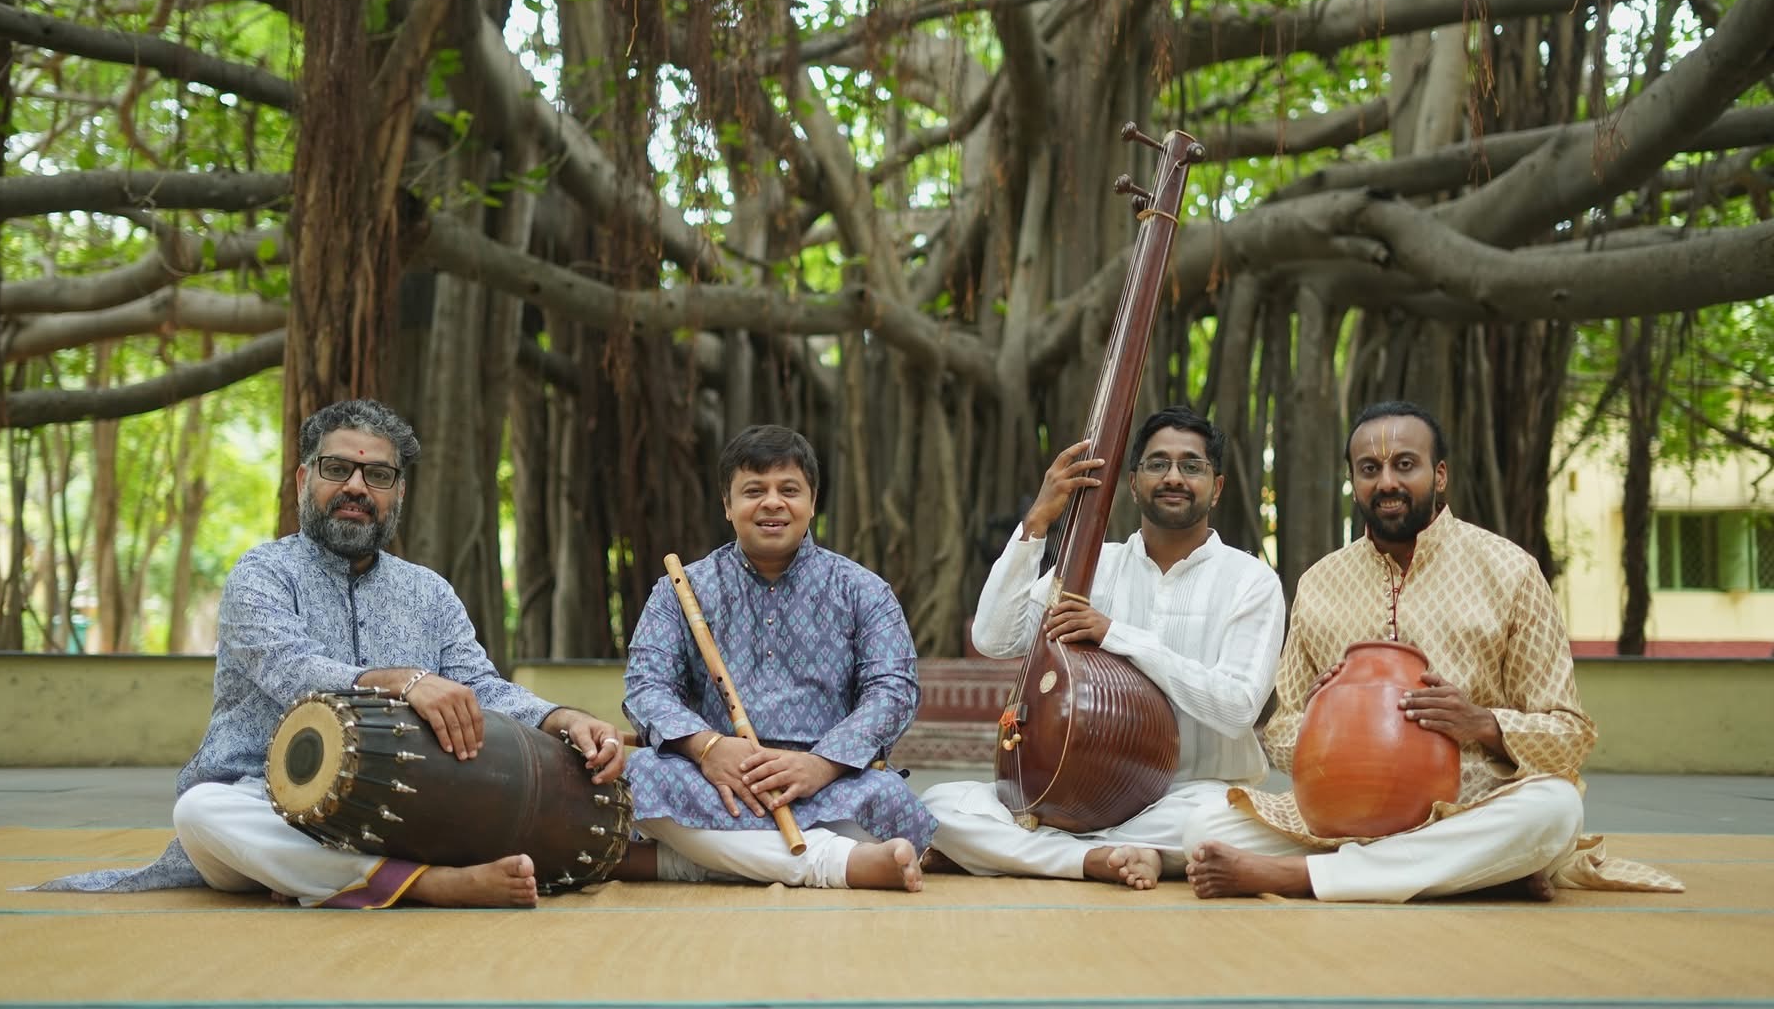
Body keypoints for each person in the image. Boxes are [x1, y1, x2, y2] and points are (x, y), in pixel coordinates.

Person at [35, 398, 625, 909]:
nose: (356, 488)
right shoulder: (263, 574)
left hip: (399, 813)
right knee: (201, 813)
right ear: (301, 481)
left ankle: (331, 880)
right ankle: (425, 885)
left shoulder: (429, 592)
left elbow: (483, 688)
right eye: (337, 468)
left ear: (397, 494)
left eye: (378, 476)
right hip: (264, 803)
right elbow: (291, 669)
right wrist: (399, 681)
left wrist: (562, 718)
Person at [1183, 400, 1684, 901]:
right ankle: (1475, 871)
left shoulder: (1509, 570)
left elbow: (1570, 733)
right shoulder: (1320, 582)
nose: (1387, 483)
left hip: (1474, 803)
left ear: (1439, 474)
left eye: (1405, 465)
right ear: (1353, 481)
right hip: (1343, 812)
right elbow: (1281, 729)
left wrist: (1482, 723)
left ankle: (1304, 877)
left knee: (1554, 810)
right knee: (1202, 828)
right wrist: (1322, 718)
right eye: (1369, 469)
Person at [920, 406, 1286, 890]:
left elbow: (1238, 709)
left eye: (1191, 466)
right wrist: (1036, 523)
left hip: (1191, 796)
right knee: (937, 805)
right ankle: (1100, 857)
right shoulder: (1093, 566)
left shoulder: (1249, 581)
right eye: (1157, 464)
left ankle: (1042, 852)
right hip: (1076, 797)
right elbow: (994, 638)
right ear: (1132, 483)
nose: (1173, 477)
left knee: (1216, 823)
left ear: (1216, 487)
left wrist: (1117, 634)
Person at [612, 424, 935, 891]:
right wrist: (708, 749)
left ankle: (683, 863)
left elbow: (894, 692)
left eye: (789, 490)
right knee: (636, 774)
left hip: (829, 785)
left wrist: (820, 765)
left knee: (888, 798)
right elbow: (646, 686)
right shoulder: (681, 590)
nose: (772, 503)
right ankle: (839, 865)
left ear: (812, 501)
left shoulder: (863, 591)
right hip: (716, 782)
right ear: (727, 505)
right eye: (753, 491)